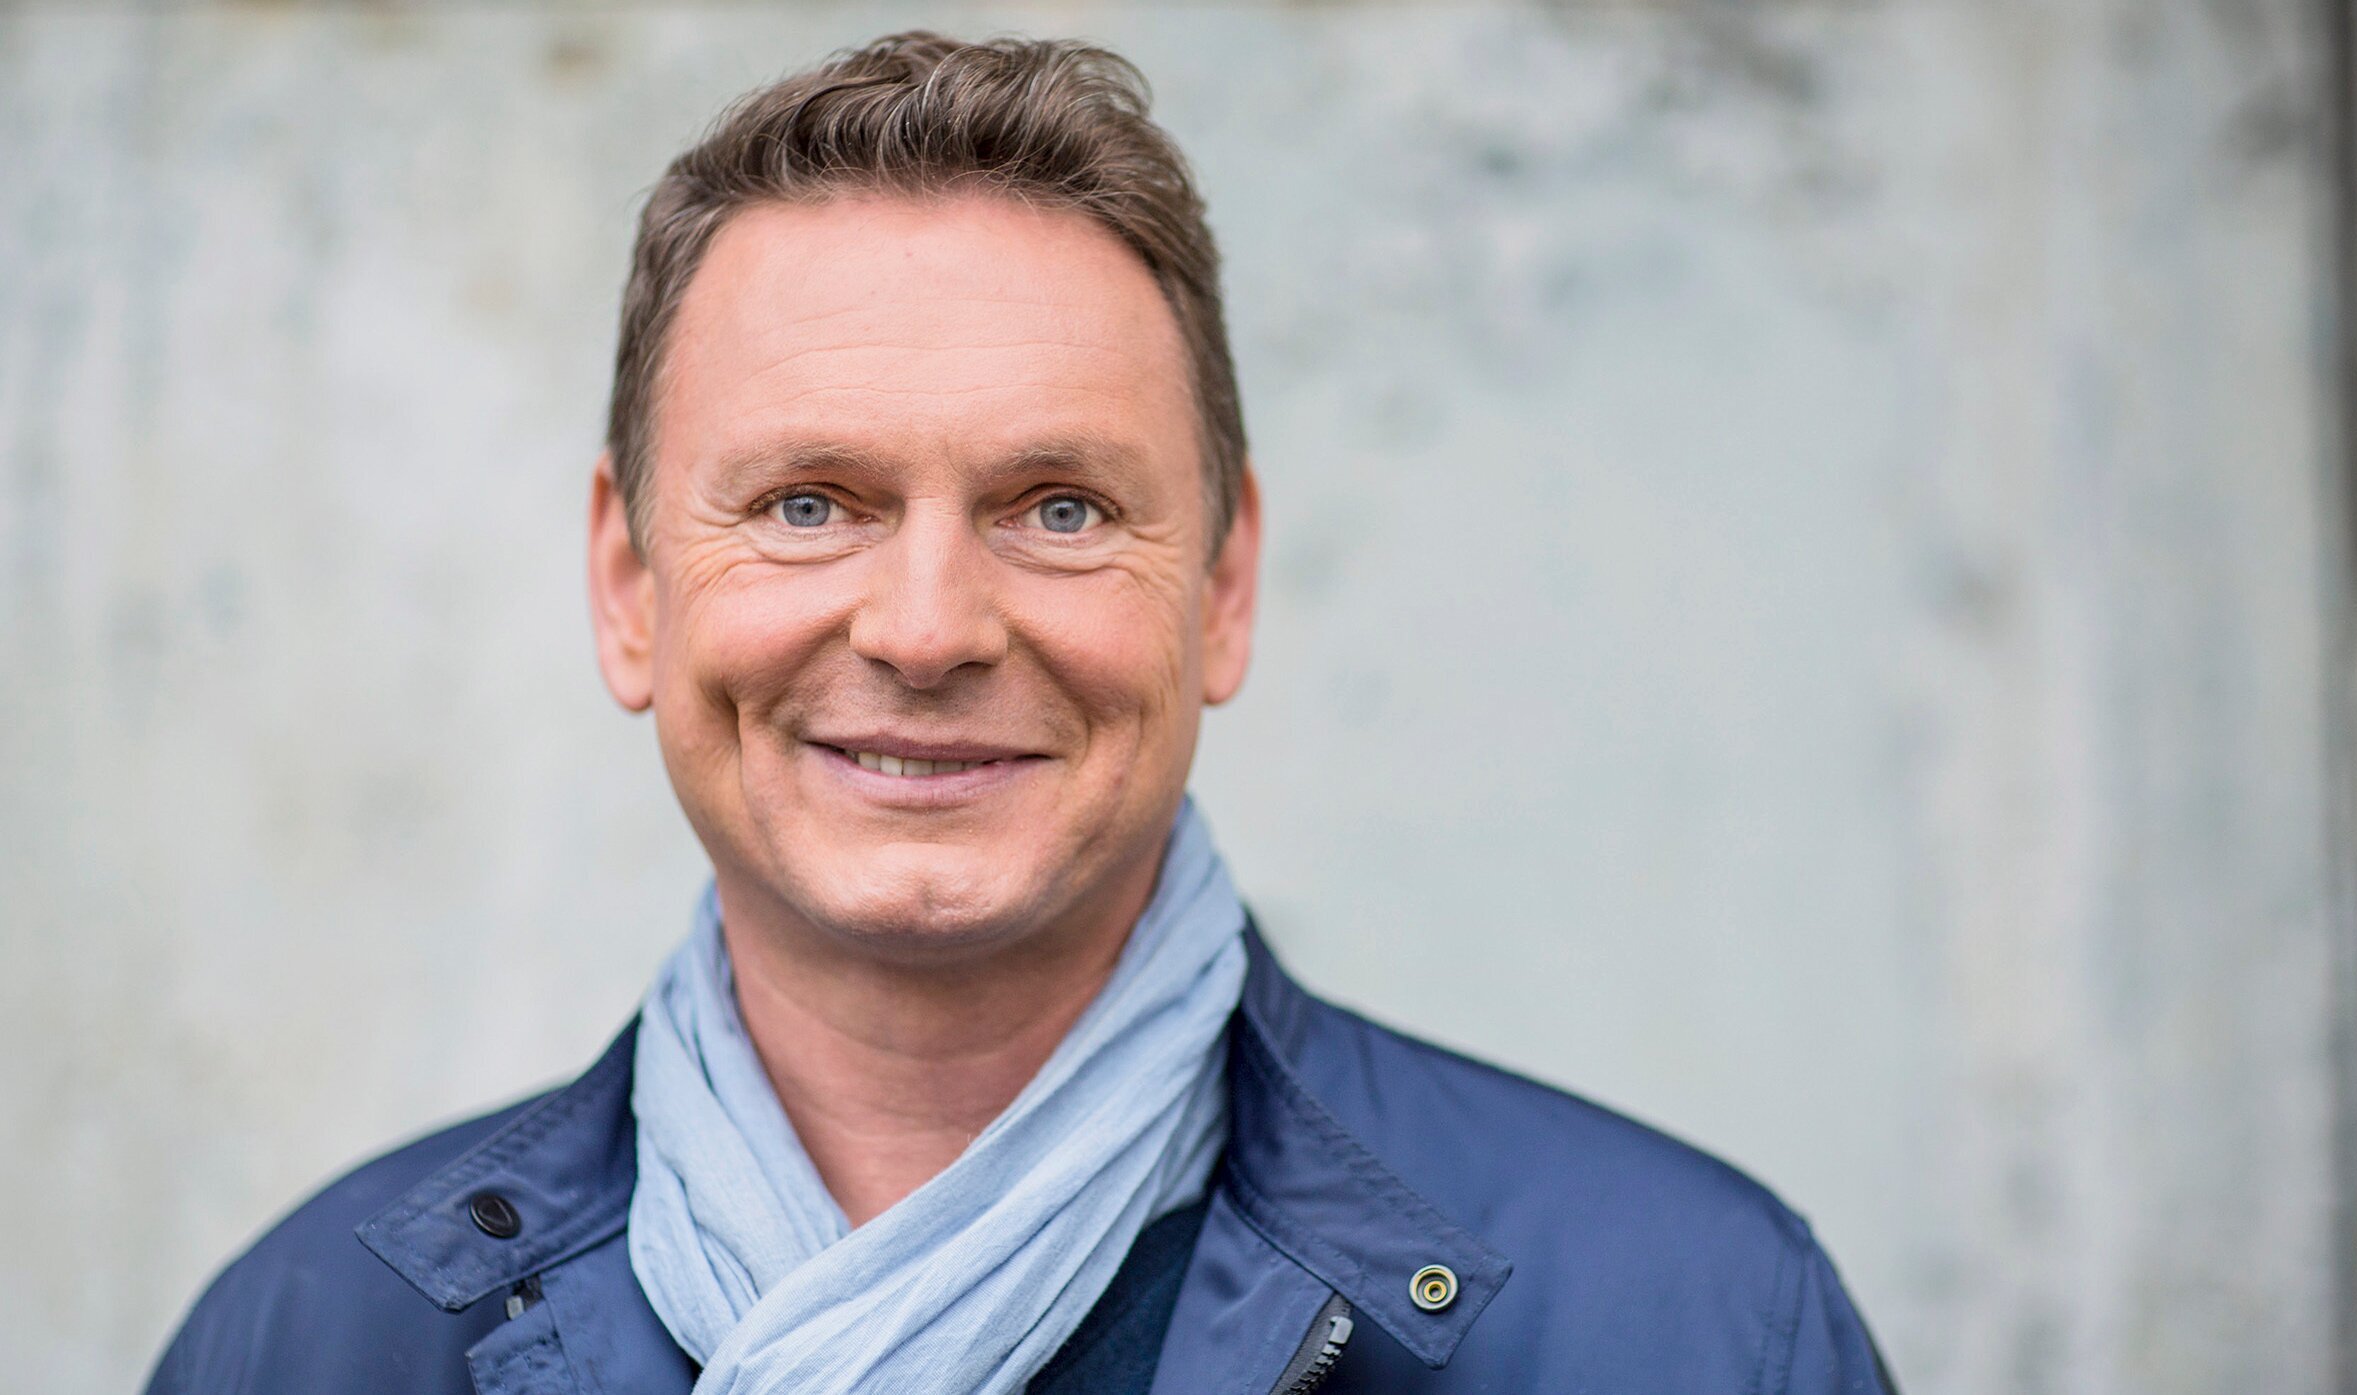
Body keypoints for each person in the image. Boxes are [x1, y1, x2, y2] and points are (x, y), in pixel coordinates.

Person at [146, 32, 1894, 1395]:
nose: (926, 630)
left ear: (1222, 585)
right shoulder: (314, 1347)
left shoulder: (1690, 1330)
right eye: (809, 504)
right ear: (628, 586)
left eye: (1060, 508)